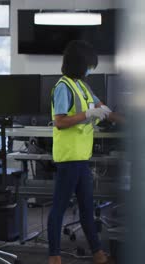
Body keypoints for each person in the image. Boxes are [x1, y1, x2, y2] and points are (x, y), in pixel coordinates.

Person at [48, 40, 116, 264]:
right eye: (89, 65)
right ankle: (54, 257)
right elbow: (60, 122)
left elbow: (102, 108)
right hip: (69, 157)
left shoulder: (83, 86)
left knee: (87, 208)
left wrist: (127, 120)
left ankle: (98, 254)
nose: (90, 69)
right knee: (58, 209)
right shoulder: (63, 87)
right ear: (79, 63)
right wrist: (89, 114)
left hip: (81, 157)